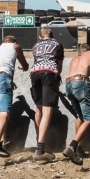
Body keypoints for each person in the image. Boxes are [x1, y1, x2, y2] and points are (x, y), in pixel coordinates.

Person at [0, 36, 29, 158]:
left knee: (0, 112)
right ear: (15, 41)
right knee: (4, 112)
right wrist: (22, 67)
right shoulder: (15, 46)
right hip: (2, 78)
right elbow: (25, 65)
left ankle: (2, 142)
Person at [63, 43, 90, 165]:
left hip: (68, 85)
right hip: (81, 82)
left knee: (80, 117)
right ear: (89, 50)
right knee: (89, 119)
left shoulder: (74, 59)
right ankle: (72, 146)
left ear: (79, 52)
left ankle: (79, 148)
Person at [29, 27, 65, 161]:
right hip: (49, 73)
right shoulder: (57, 44)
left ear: (40, 37)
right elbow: (59, 63)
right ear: (52, 35)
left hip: (34, 73)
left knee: (38, 108)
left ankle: (39, 140)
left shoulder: (35, 45)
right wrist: (58, 75)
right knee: (47, 109)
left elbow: (35, 60)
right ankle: (40, 149)